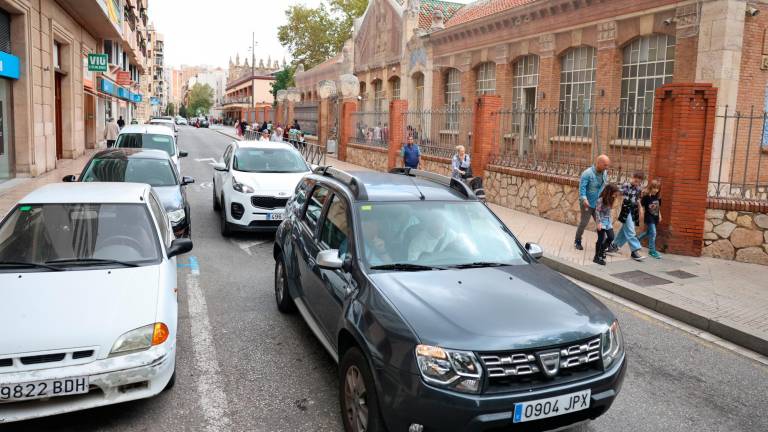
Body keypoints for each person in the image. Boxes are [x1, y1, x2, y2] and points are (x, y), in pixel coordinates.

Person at [575, 155, 610, 250]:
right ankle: (577, 240)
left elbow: (604, 187)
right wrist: (584, 199)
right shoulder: (587, 173)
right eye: (605, 165)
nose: (607, 167)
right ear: (598, 163)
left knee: (601, 223)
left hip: (598, 204)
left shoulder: (604, 173)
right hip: (587, 203)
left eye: (607, 165)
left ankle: (604, 243)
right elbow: (582, 188)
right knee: (584, 223)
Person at [609, 171, 646, 261]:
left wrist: (640, 209)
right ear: (632, 177)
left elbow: (637, 200)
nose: (636, 181)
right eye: (635, 179)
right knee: (630, 230)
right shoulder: (626, 185)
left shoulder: (639, 189)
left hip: (633, 211)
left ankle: (614, 246)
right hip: (626, 210)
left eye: (639, 180)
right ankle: (635, 250)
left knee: (624, 231)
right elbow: (619, 193)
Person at [593, 183, 620, 266]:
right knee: (600, 239)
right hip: (601, 221)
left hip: (608, 221)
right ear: (609, 192)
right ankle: (596, 257)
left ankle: (602, 251)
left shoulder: (611, 198)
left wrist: (609, 221)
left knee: (611, 237)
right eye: (614, 192)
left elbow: (608, 212)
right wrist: (598, 223)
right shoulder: (600, 200)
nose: (615, 195)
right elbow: (597, 211)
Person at [637, 179, 663, 259]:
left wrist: (659, 215)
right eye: (654, 188)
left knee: (649, 233)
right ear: (650, 188)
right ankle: (652, 250)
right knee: (654, 233)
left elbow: (658, 208)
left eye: (657, 188)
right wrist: (640, 212)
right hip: (649, 217)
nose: (656, 190)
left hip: (655, 218)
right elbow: (640, 204)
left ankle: (636, 239)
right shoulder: (646, 197)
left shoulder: (658, 197)